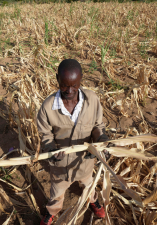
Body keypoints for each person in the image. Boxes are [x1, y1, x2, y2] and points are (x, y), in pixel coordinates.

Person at [37, 59, 109, 225]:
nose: (69, 91)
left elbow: (97, 126)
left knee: (89, 185)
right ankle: (51, 212)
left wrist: (102, 140)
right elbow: (45, 135)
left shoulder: (91, 100)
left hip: (84, 163)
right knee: (56, 193)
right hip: (60, 166)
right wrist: (51, 151)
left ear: (81, 79)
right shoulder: (47, 108)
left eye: (74, 86)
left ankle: (93, 201)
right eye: (64, 85)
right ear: (57, 79)